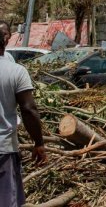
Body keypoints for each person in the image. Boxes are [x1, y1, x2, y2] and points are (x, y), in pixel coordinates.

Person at [0, 20, 47, 206]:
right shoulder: (16, 71)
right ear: (6, 39)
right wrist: (39, 142)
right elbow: (28, 109)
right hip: (3, 150)